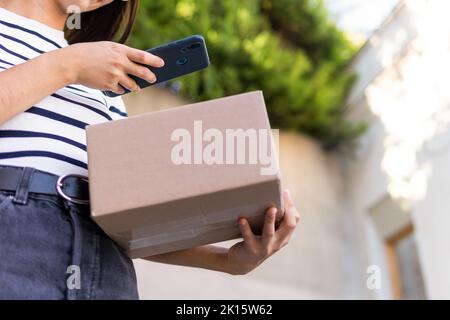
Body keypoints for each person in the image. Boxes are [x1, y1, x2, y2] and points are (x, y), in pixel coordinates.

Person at [0, 0, 300, 300]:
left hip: (106, 272)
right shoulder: (79, 63)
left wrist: (229, 261)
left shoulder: (104, 85)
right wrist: (70, 64)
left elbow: (124, 224)